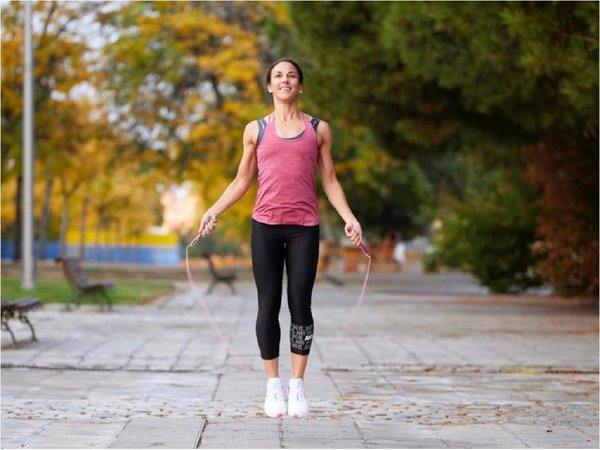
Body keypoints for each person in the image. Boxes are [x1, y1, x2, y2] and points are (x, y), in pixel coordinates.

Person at [197, 58, 363, 419]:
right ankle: (273, 385)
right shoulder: (255, 130)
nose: (285, 80)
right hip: (265, 227)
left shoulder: (319, 130)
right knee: (267, 304)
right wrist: (213, 211)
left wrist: (349, 218)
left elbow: (330, 180)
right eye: (278, 76)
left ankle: (297, 385)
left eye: (291, 76)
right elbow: (242, 181)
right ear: (269, 86)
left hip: (304, 227)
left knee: (300, 304)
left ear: (300, 86)